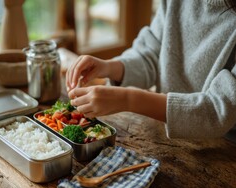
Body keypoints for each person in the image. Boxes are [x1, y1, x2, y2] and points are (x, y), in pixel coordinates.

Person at [66, 0, 236, 139]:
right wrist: (110, 67)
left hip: (225, 151)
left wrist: (129, 100)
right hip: (164, 132)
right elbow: (152, 54)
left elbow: (216, 111)